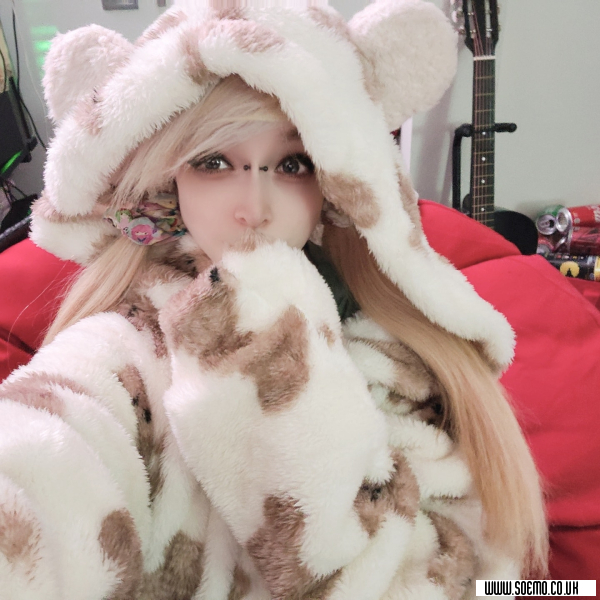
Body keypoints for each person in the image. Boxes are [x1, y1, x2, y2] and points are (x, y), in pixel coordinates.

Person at [0, 1, 547, 598]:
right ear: (169, 178)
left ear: (336, 180)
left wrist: (272, 356)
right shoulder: (123, 348)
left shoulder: (403, 358)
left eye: (293, 163)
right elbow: (44, 456)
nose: (254, 207)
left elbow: (475, 579)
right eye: (213, 161)